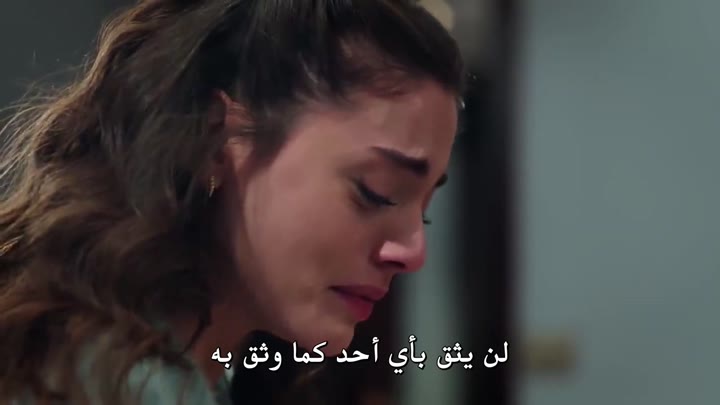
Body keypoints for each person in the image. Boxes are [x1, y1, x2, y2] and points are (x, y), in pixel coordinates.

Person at [0, 0, 465, 403]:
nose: (413, 253)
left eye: (423, 212)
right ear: (220, 138)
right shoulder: (113, 384)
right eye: (377, 191)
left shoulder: (199, 374)